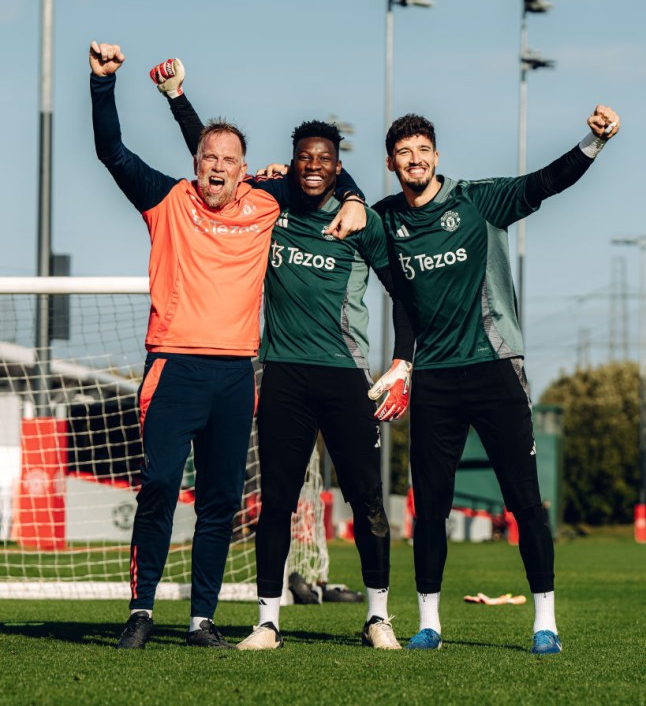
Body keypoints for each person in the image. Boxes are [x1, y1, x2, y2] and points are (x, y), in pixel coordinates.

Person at [89, 42, 365, 651]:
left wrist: (355, 197)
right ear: (197, 162)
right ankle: (140, 612)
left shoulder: (266, 204)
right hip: (173, 368)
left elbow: (322, 167)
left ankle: (201, 620)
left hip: (238, 376)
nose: (218, 167)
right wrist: (103, 84)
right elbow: (111, 151)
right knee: (160, 487)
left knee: (220, 500)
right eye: (209, 157)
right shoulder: (166, 200)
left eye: (230, 159)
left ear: (246, 169)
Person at [150, 57, 415, 650]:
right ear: (291, 163)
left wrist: (403, 361)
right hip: (283, 378)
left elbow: (404, 293)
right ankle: (267, 621)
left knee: (368, 499)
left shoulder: (361, 220)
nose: (313, 167)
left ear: (338, 167)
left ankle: (378, 617)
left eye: (325, 160)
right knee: (275, 503)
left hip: (348, 378)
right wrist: (176, 98)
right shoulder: (268, 203)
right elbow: (212, 157)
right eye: (305, 158)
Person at [373, 105, 620, 655]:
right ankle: (430, 624)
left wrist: (593, 141)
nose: (414, 160)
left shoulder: (478, 200)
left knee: (524, 502)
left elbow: (546, 183)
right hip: (434, 379)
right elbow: (346, 225)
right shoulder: (385, 218)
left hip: (495, 368)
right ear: (391, 163)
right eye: (403, 154)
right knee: (429, 507)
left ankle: (545, 623)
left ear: (436, 157)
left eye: (422, 151)